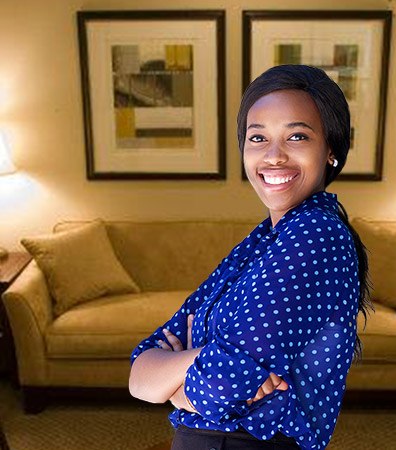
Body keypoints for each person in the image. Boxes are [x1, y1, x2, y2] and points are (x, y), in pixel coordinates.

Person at [129, 64, 373, 450]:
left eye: (296, 136)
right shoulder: (261, 241)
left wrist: (177, 387)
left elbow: (215, 390)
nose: (273, 156)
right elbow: (141, 370)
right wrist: (205, 359)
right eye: (258, 138)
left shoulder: (317, 235)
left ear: (330, 150)